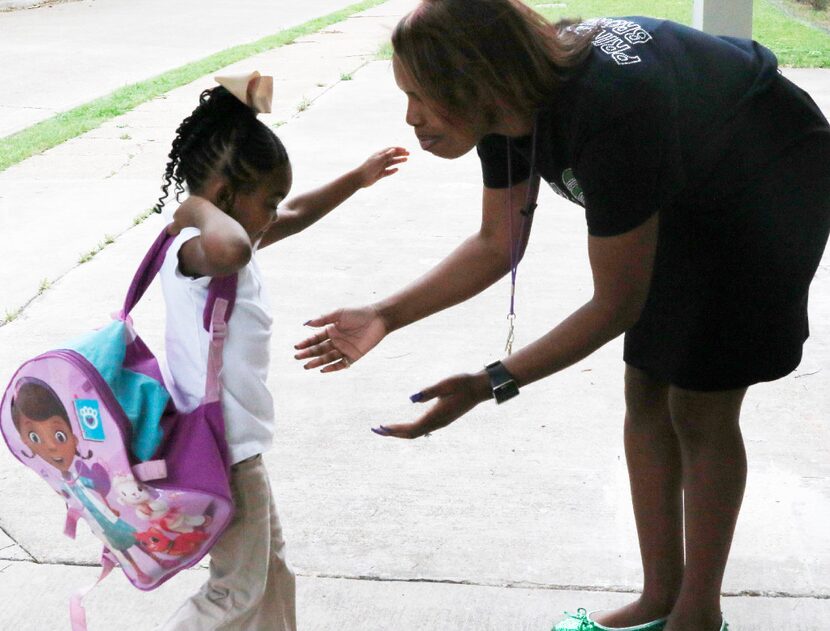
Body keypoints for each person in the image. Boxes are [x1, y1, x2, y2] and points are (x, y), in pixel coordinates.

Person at [293, 2, 830, 630]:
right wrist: (386, 314)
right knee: (646, 386)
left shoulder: (612, 109)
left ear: (477, 79)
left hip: (770, 179)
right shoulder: (503, 105)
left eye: (422, 96)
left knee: (701, 404)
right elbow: (498, 242)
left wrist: (489, 381)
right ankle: (659, 600)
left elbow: (614, 305)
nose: (410, 117)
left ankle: (697, 615)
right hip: (684, 178)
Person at [154, 74, 407, 631]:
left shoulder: (227, 240)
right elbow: (234, 243)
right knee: (235, 589)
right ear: (222, 199)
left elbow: (289, 218)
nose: (275, 214)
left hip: (235, 447)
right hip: (222, 450)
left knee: (269, 573)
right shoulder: (199, 249)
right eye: (267, 201)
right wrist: (196, 208)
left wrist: (356, 180)